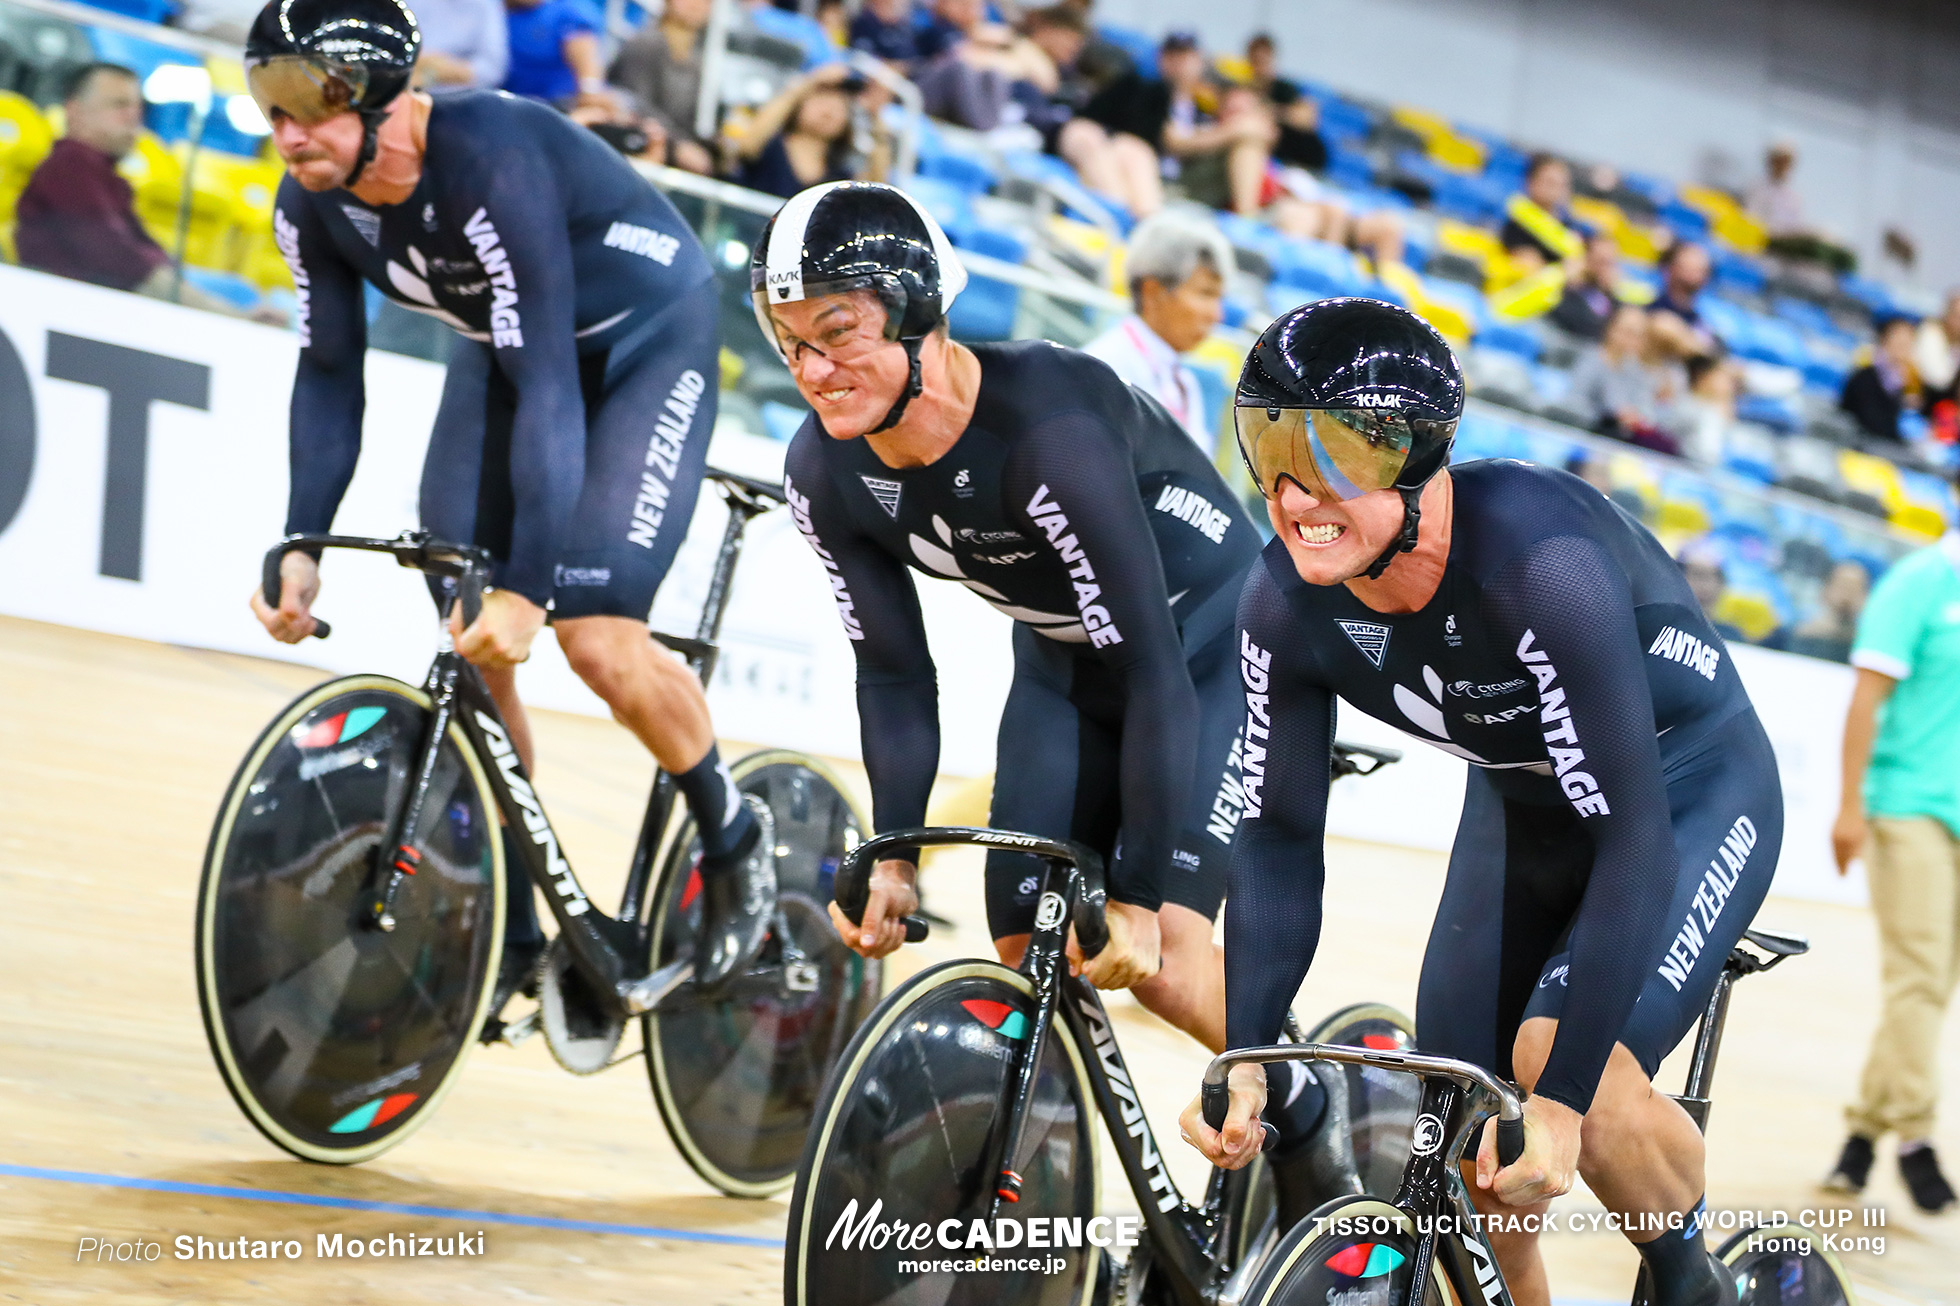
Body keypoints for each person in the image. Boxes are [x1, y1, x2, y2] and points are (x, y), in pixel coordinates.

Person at [754, 180, 1343, 1225]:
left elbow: (1156, 668)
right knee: (1029, 944)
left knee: (1158, 954)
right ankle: (1058, 1185)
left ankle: (1311, 1114)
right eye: (787, 338)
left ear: (920, 313)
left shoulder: (1050, 427)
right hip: (1067, 661)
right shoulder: (823, 468)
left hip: (1212, 652)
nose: (809, 368)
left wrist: (1142, 893)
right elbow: (892, 670)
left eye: (836, 332)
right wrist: (892, 852)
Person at [1186, 298, 1780, 1306]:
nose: (1294, 493)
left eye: (1334, 454)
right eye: (1269, 443)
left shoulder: (1540, 569)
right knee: (1464, 1127)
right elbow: (1280, 837)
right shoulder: (1280, 603)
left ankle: (1692, 1281)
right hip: (1523, 803)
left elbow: (1631, 838)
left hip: (1686, 786)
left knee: (1554, 1065)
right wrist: (1246, 1051)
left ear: (1416, 457)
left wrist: (1561, 1103)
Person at [241, 0, 777, 1010]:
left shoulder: (490, 158)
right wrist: (301, 537)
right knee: (468, 636)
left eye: (306, 102)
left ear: (385, 100)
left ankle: (732, 829)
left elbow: (551, 387)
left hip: (638, 343)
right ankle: (528, 916)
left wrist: (531, 584)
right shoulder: (310, 199)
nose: (288, 133)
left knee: (595, 638)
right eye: (269, 106)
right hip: (514, 354)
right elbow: (326, 372)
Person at [1824, 520, 1960, 1214]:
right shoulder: (1918, 587)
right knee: (1920, 973)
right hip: (1908, 807)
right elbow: (1866, 702)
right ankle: (1915, 1137)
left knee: (1930, 985)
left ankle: (1861, 1138)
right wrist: (1850, 807)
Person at [14, 64, 282, 322]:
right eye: (118, 105)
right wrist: (231, 317)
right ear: (75, 111)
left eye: (137, 105)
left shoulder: (101, 175)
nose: (134, 115)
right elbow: (124, 261)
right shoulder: (71, 167)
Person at [1082, 210, 1231, 454]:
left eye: (1219, 299)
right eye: (1206, 293)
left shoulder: (1186, 383)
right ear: (1153, 291)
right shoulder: (1103, 367)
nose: (1217, 315)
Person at [731, 64, 888, 199]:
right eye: (822, 97)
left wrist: (876, 118)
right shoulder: (769, 146)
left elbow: (875, 189)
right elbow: (746, 144)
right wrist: (809, 82)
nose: (829, 108)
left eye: (841, 104)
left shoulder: (839, 179)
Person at [607, 0, 715, 174]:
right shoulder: (645, 43)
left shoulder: (698, 62)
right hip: (635, 151)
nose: (697, 4)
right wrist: (678, 145)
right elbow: (633, 102)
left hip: (673, 160)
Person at [1569, 304, 1678, 452]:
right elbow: (1575, 403)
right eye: (1627, 332)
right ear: (1611, 329)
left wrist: (1635, 418)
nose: (1631, 339)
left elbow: (1645, 412)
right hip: (1589, 436)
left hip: (1623, 443)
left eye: (1638, 335)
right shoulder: (1592, 360)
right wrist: (1611, 417)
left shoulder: (1637, 371)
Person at [501, 0, 607, 108]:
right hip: (503, 97)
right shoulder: (494, 10)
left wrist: (590, 90)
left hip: (559, 101)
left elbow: (584, 49)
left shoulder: (567, 8)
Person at [1840, 315, 1923, 444]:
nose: (1903, 348)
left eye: (1908, 343)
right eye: (1899, 341)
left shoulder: (1904, 384)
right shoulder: (1865, 375)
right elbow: (1870, 422)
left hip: (1884, 447)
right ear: (1883, 339)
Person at [1772, 558, 1867, 664]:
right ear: (1825, 590)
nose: (1847, 596)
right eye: (1843, 587)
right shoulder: (1799, 634)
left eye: (1854, 589)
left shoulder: (1866, 648)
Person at [1548, 229, 1627, 342]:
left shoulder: (1608, 295)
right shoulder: (1568, 286)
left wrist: (1613, 292)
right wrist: (1569, 285)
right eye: (1601, 261)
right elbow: (1574, 326)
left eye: (1610, 263)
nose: (1607, 269)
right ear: (1586, 259)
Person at [411, 0, 509, 89]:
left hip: (461, 96)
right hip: (408, 89)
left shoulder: (485, 5)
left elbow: (492, 70)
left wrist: (441, 70)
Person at [1648, 240, 1718, 363]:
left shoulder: (1699, 321)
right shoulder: (1653, 308)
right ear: (1670, 268)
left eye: (1701, 269)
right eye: (1688, 266)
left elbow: (1715, 355)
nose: (1695, 274)